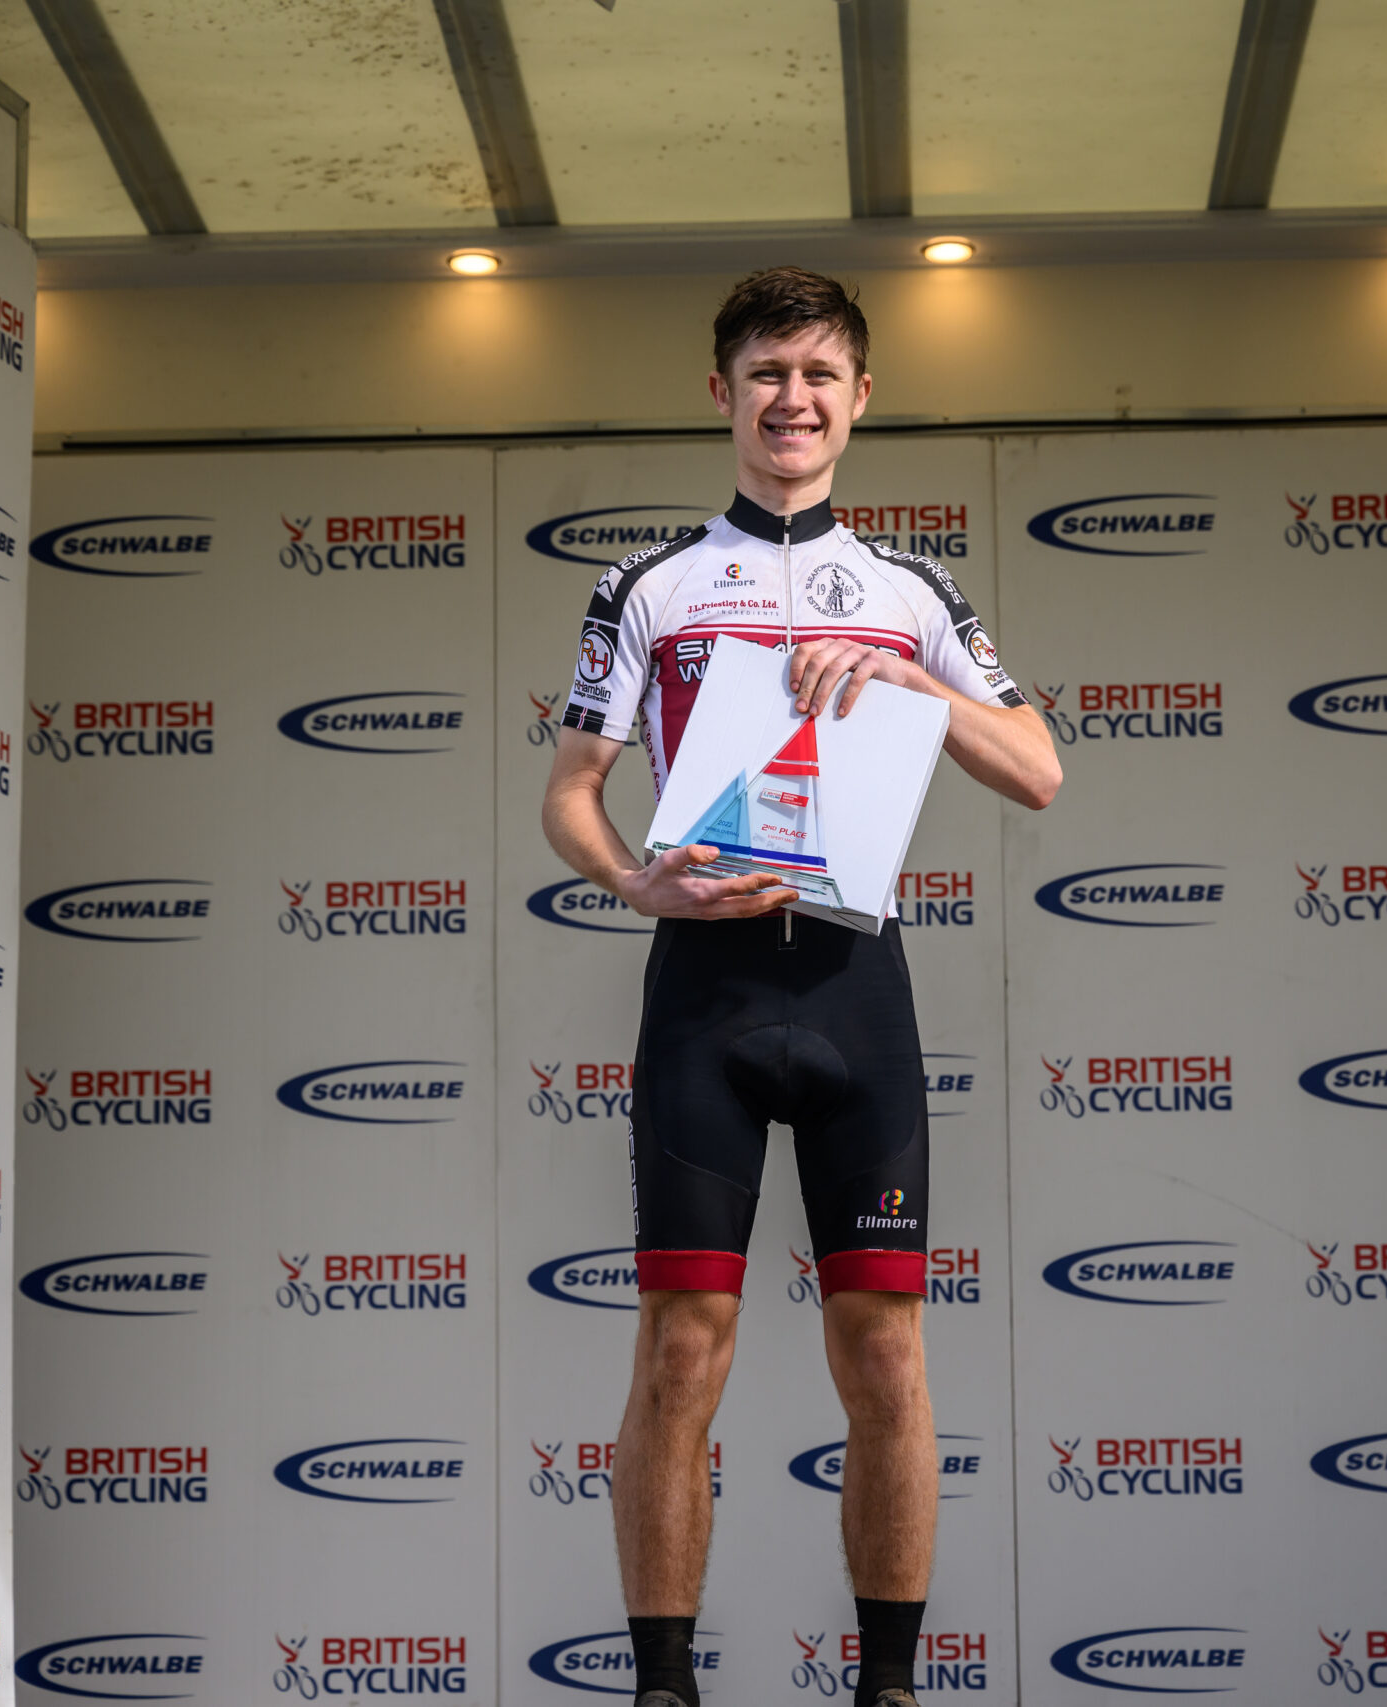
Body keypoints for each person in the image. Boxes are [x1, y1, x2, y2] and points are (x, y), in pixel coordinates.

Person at [540, 267, 1061, 1707]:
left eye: (820, 374)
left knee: (885, 1355)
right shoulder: (649, 584)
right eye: (768, 373)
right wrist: (634, 882)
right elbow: (572, 790)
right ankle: (662, 1686)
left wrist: (911, 685)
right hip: (703, 994)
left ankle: (888, 1686)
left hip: (854, 991)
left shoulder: (909, 592)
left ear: (860, 397)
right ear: (722, 393)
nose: (793, 399)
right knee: (680, 1351)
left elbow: (1037, 768)